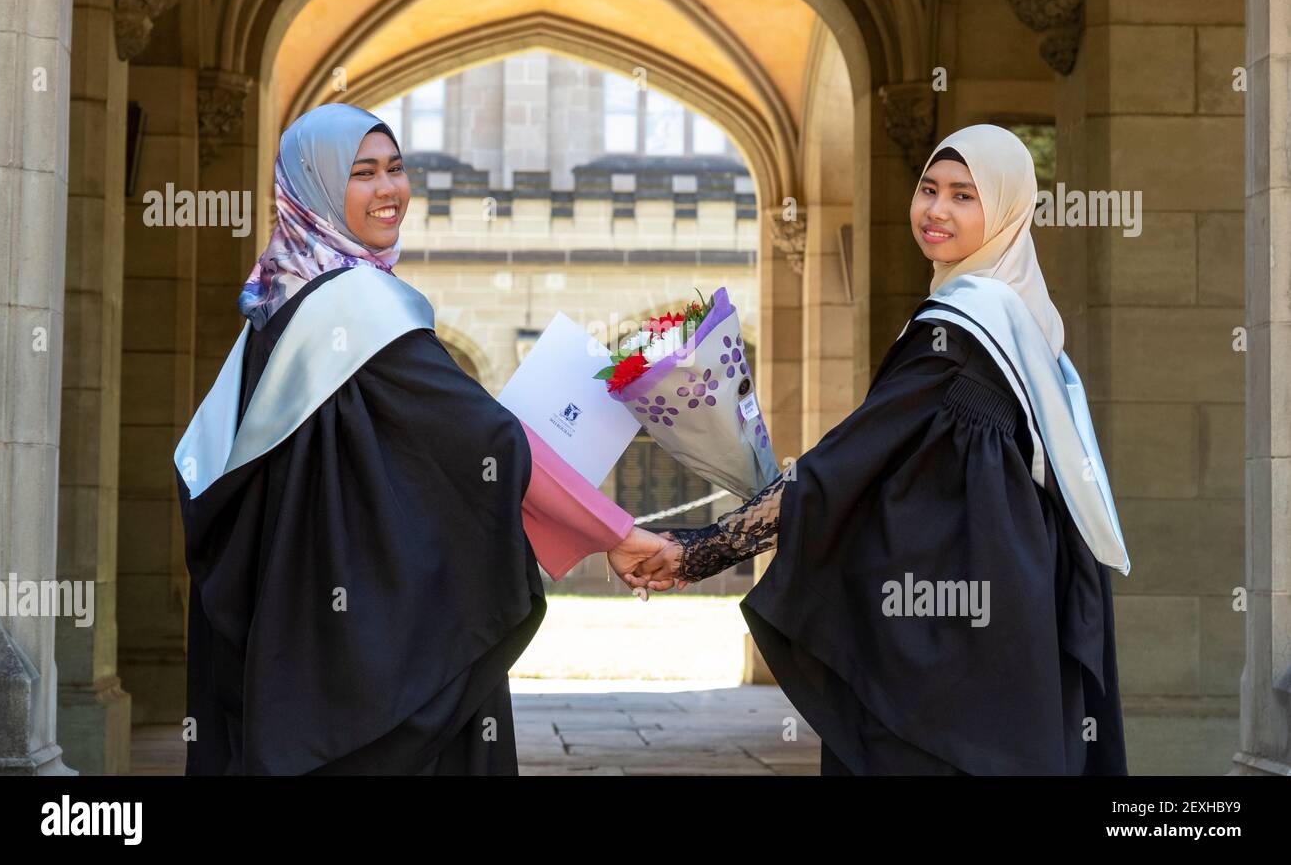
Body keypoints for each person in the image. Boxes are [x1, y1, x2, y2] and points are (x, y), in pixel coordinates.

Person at [174, 103, 668, 775]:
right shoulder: (358, 308)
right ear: (315, 186)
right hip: (365, 644)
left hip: (296, 634)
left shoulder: (275, 304)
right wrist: (616, 532)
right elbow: (489, 442)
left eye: (396, 169)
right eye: (363, 173)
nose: (389, 191)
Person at [630, 124, 1131, 776]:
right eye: (928, 189)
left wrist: (703, 548)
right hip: (1009, 614)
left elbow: (845, 470)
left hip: (954, 636)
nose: (937, 210)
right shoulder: (1025, 324)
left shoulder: (963, 330)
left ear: (1006, 209)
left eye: (964, 196)